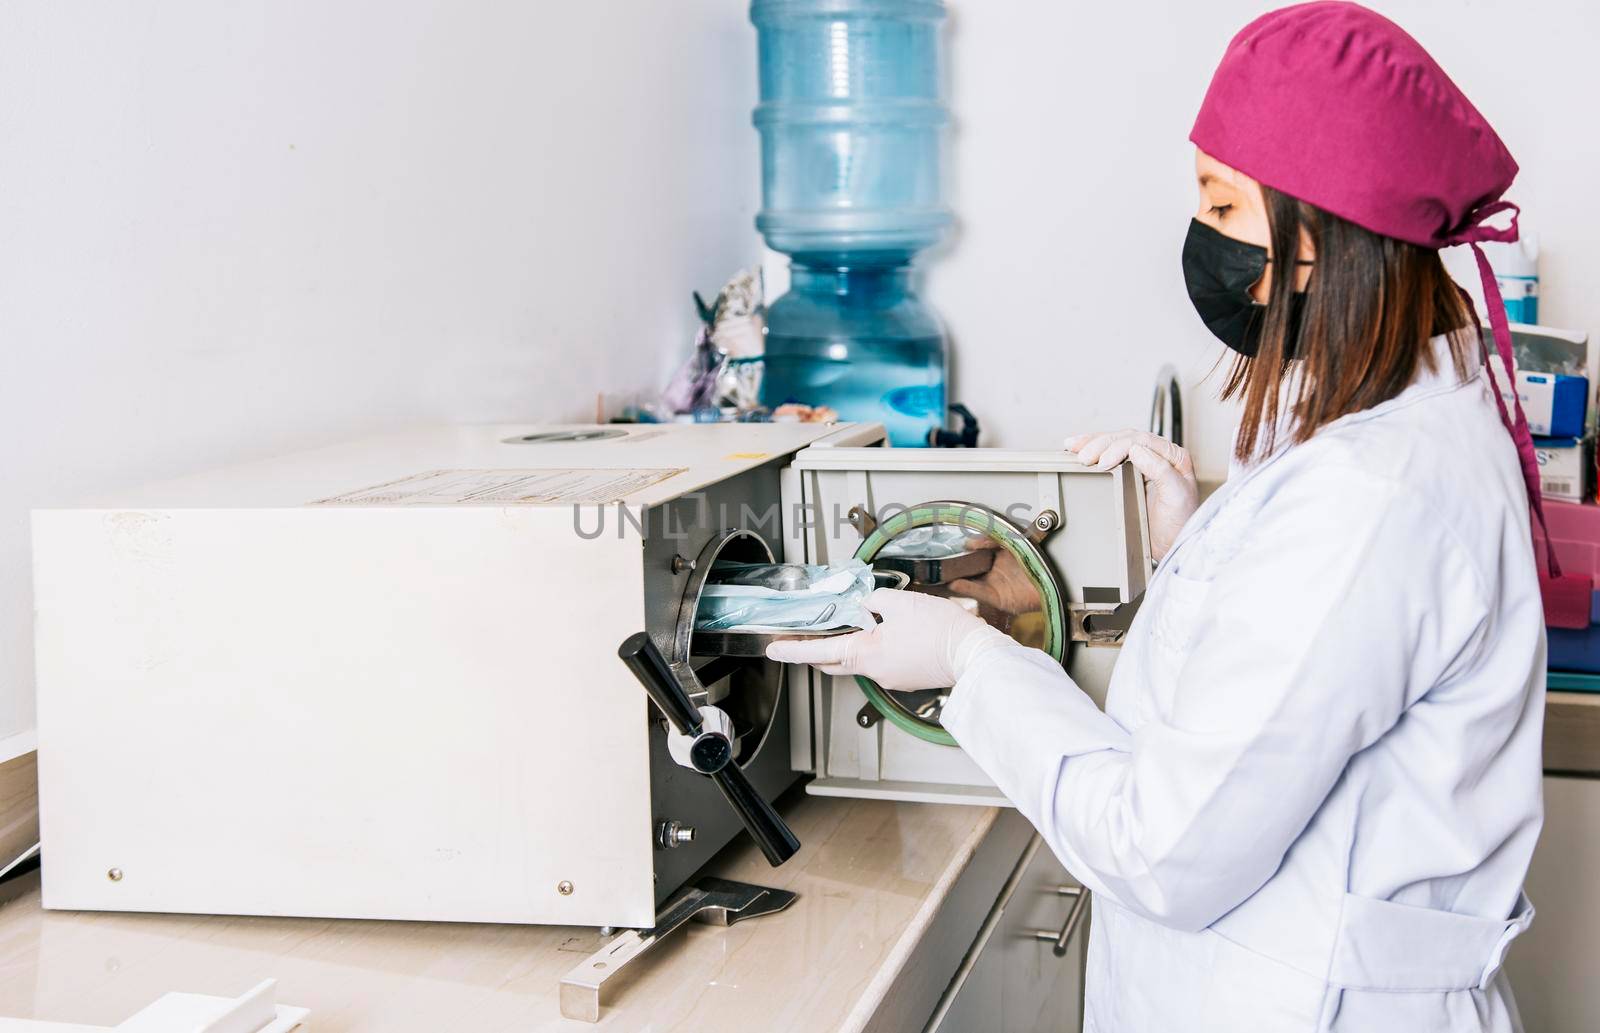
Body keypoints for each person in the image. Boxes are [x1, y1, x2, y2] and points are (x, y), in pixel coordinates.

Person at [767, 3, 1549, 1030]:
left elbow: (1162, 848)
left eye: (1222, 207)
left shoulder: (1372, 494)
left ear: (1324, 234)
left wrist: (968, 657)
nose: (1201, 239)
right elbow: (1312, 670)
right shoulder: (1399, 428)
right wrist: (1198, 548)